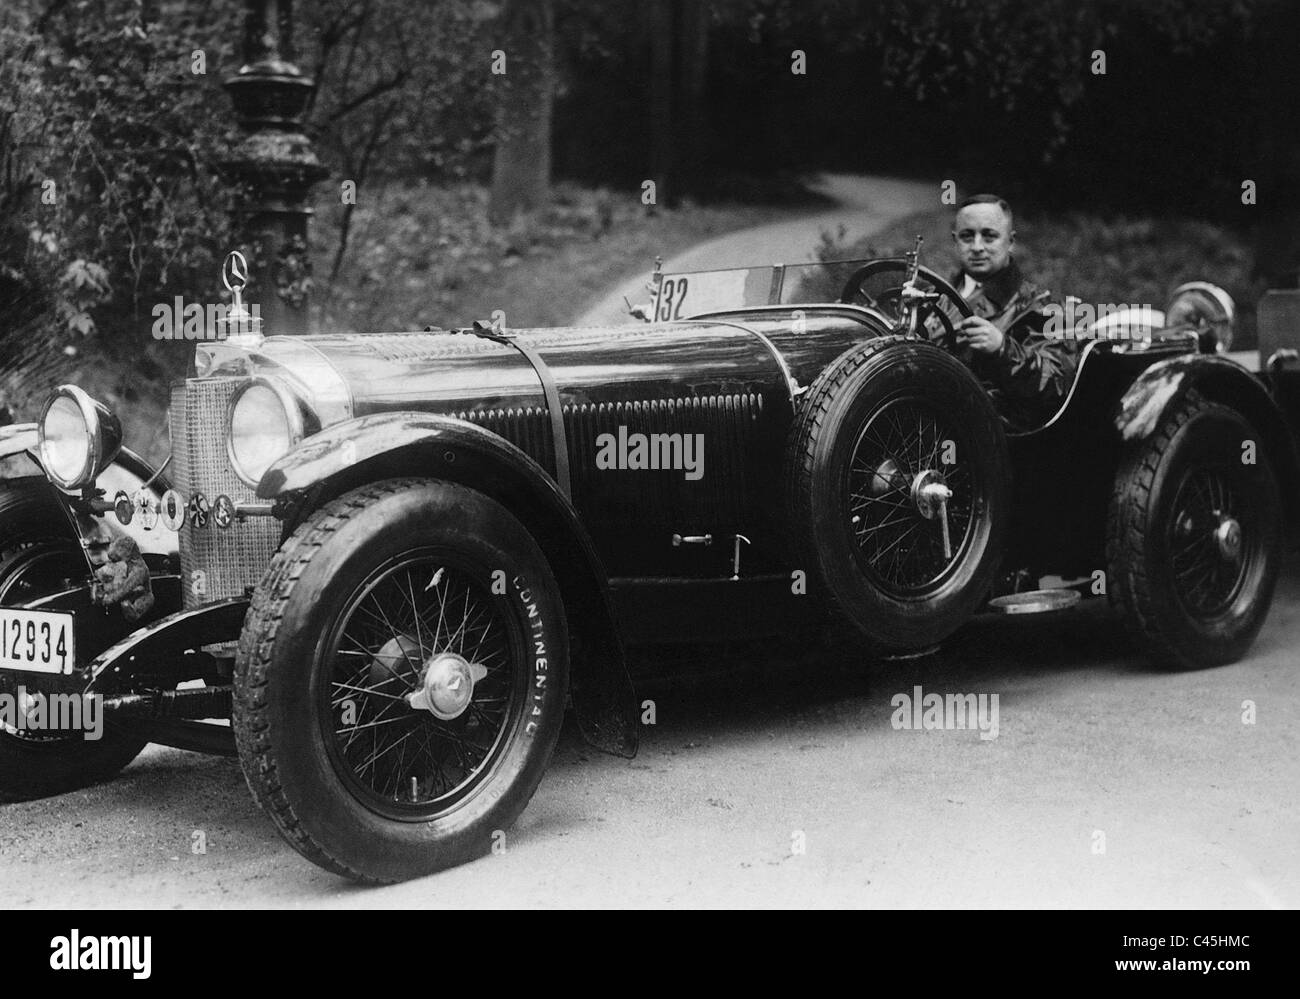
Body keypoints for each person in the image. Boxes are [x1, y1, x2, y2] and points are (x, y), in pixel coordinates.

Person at [949, 194, 1079, 429]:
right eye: (967, 237)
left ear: (1010, 242)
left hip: (990, 434)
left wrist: (1002, 349)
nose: (977, 247)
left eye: (989, 236)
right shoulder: (935, 299)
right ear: (955, 240)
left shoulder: (1042, 306)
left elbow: (1057, 385)